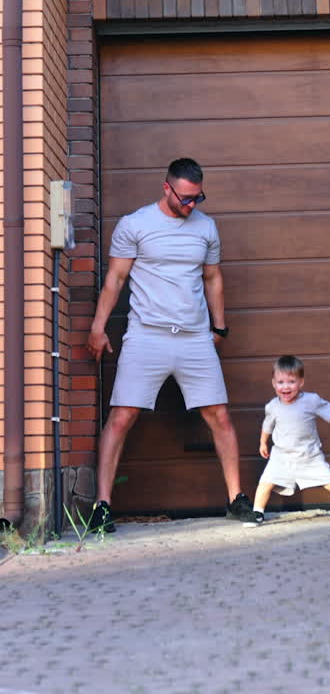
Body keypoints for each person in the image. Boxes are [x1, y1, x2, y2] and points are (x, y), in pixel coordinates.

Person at [86, 157, 254, 532]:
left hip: (194, 337)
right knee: (122, 417)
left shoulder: (206, 227)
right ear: (166, 188)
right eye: (185, 198)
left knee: (219, 416)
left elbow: (212, 278)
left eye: (198, 198)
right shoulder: (135, 224)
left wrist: (220, 328)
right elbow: (115, 278)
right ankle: (102, 506)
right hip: (146, 335)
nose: (191, 206)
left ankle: (236, 499)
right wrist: (98, 328)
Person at [246, 354, 330, 525]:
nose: (285, 387)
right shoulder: (273, 406)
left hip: (309, 455)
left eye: (291, 382)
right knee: (266, 482)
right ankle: (257, 513)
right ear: (274, 384)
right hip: (281, 456)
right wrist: (263, 442)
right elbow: (267, 426)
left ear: (301, 383)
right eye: (281, 382)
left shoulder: (311, 400)